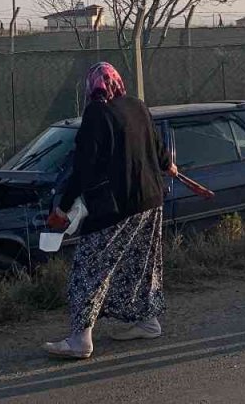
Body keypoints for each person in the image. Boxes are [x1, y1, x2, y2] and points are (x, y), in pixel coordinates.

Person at [44, 62, 173, 360]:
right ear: (117, 82)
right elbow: (157, 145)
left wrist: (63, 208)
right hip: (150, 200)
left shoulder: (96, 113)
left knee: (88, 269)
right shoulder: (137, 106)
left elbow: (83, 167)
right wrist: (167, 164)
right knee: (140, 264)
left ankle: (80, 340)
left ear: (93, 87)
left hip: (115, 206)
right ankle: (147, 322)